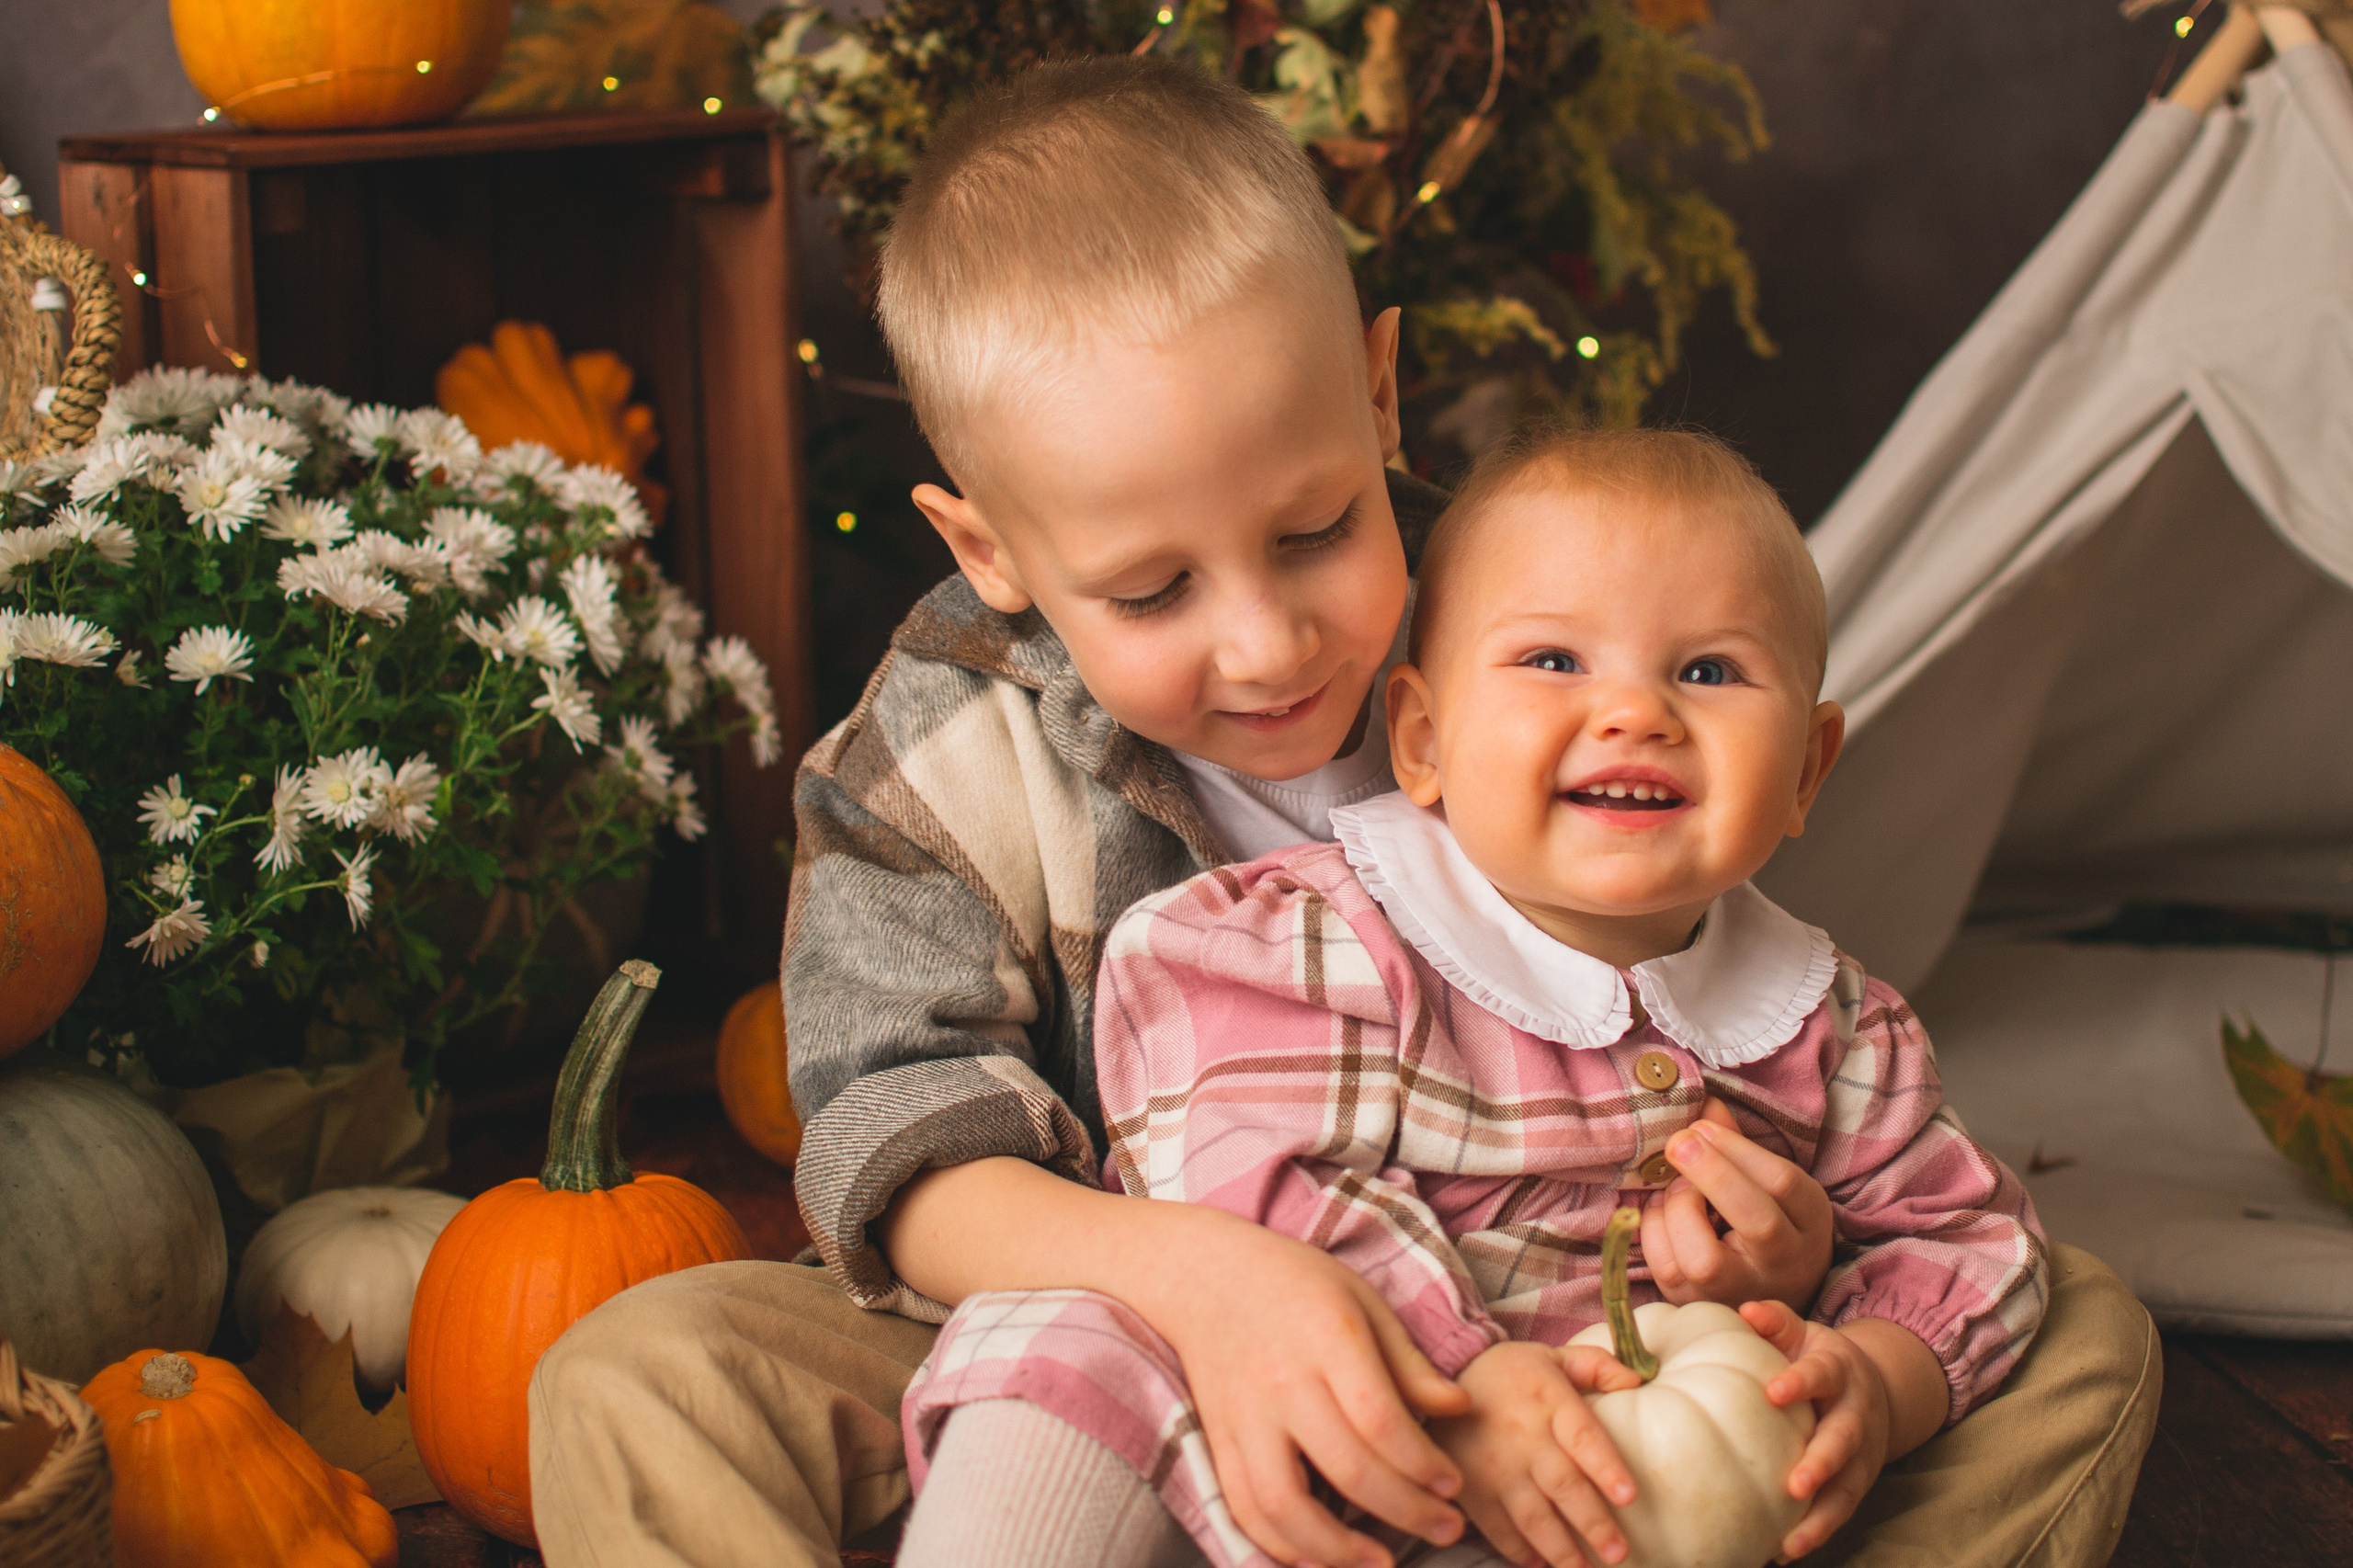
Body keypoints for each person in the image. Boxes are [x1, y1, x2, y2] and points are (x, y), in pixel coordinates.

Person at [524, 58, 2161, 1568]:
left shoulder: (1527, 631)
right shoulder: (932, 755)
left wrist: (1784, 1266)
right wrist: (1219, 1282)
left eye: (1313, 531)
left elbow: (1696, 976)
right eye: (1154, 587)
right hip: (1101, 1298)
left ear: (1379, 392)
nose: (1270, 640)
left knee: (2077, 1319)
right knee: (638, 1373)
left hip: (1538, 1316)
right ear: (993, 553)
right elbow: (900, 1151)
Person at [903, 426, 2058, 1568]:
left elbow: (1968, 1236)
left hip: (1556, 1493)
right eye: (1554, 660)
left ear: (1805, 769)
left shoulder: (1834, 1029)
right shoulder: (1318, 939)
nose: (1635, 712)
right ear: (1420, 739)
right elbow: (1251, 1181)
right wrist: (1459, 1369)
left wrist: (1873, 1376)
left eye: (1706, 669)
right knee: (1070, 1345)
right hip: (1256, 1407)